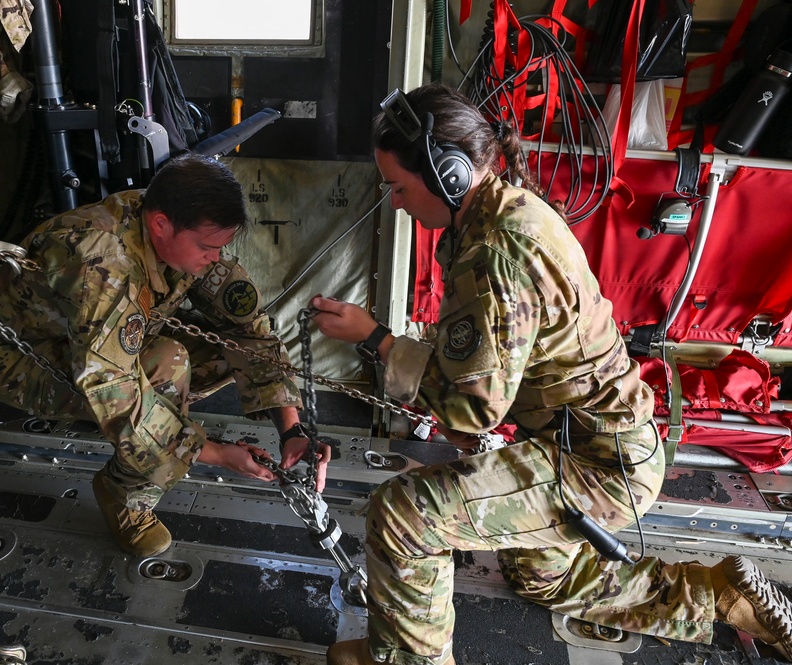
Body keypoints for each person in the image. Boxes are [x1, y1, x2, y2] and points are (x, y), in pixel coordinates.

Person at [311, 83, 792, 665]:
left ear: (450, 175)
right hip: (600, 443)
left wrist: (377, 339)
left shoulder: (498, 250)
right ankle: (718, 596)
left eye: (399, 186)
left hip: (598, 467)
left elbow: (471, 409)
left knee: (406, 515)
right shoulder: (501, 210)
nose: (394, 201)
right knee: (541, 576)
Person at [0, 153, 329, 558]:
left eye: (221, 247)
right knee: (168, 362)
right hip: (21, 359)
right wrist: (209, 452)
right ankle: (126, 497)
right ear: (160, 225)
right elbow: (111, 387)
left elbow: (250, 330)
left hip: (90, 345)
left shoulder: (179, 222)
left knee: (229, 347)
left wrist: (291, 429)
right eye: (208, 248)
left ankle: (153, 427)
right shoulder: (101, 261)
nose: (215, 258)